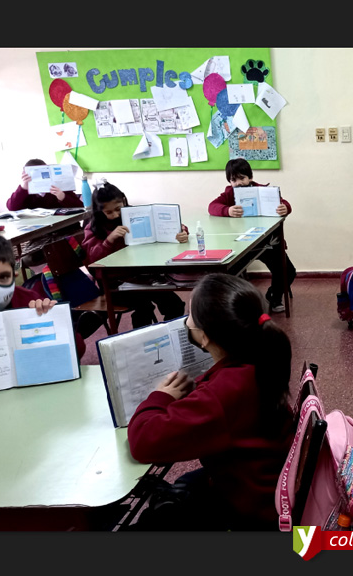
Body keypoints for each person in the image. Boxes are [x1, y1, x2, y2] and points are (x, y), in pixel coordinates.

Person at [127, 273, 295, 530]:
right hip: (262, 482)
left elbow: (142, 442)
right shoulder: (258, 356)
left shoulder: (222, 394)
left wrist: (161, 396)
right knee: (187, 483)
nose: (187, 321)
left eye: (190, 314)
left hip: (250, 510)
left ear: (204, 336)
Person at [82, 182, 187, 329]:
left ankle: (169, 335)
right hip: (115, 284)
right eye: (109, 212)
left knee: (174, 304)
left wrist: (180, 231)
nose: (116, 215)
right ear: (100, 211)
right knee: (144, 308)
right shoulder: (94, 227)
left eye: (118, 209)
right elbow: (92, 258)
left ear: (124, 201)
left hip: (141, 276)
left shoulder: (135, 214)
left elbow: (167, 225)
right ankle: (141, 338)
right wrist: (109, 240)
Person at [208, 158, 296, 313]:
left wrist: (285, 208)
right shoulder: (229, 194)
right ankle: (239, 304)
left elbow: (284, 203)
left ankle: (274, 296)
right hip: (240, 244)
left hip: (267, 242)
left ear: (250, 177)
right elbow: (212, 206)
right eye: (234, 180)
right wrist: (227, 210)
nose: (238, 183)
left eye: (242, 178)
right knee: (229, 272)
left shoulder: (262, 191)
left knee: (288, 272)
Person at [0, 230, 85, 359]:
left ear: (13, 275)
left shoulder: (30, 302)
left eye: (3, 277)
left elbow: (78, 350)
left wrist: (53, 321)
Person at [7, 159, 85, 211]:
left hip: (64, 227)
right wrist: (23, 188)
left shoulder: (59, 186)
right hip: (38, 227)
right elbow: (12, 207)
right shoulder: (24, 191)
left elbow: (80, 207)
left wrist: (63, 197)